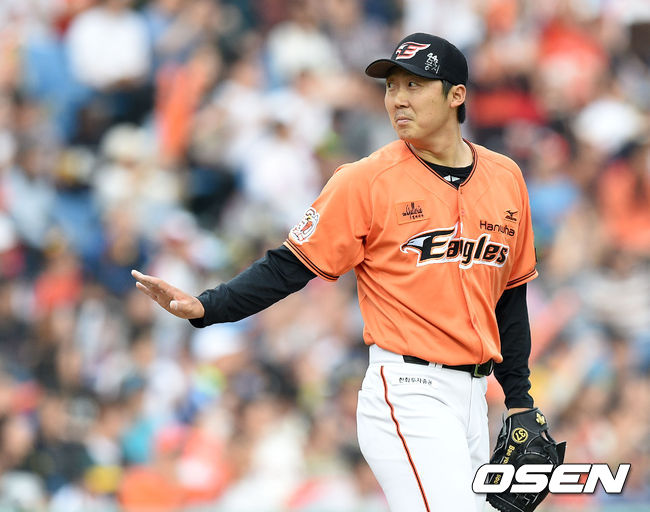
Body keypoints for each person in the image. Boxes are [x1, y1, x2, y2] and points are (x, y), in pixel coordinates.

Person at [132, 33, 538, 512]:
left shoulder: (505, 178)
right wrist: (208, 307)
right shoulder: (364, 180)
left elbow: (509, 300)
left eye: (414, 85)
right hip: (409, 391)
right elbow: (288, 265)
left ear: (456, 95)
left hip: (474, 399)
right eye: (391, 86)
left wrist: (519, 400)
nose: (398, 98)